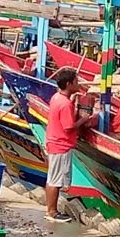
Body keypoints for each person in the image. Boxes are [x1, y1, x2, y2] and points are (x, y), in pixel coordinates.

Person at [45, 69, 97, 223]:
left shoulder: (57, 98)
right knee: (55, 180)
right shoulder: (65, 104)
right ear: (69, 83)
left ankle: (51, 209)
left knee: (53, 178)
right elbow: (68, 127)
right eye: (76, 81)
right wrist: (84, 119)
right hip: (60, 144)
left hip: (54, 141)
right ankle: (52, 212)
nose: (78, 83)